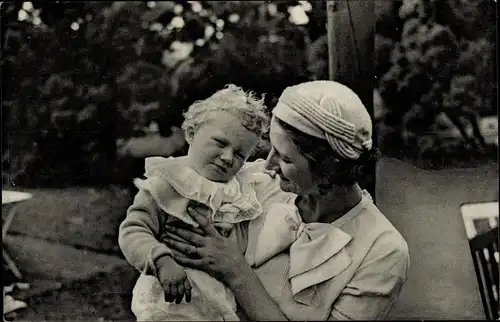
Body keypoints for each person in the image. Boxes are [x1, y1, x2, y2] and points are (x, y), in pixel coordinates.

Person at [162, 80, 411, 320]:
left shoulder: (382, 251)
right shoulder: (256, 183)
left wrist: (235, 271)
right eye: (271, 148)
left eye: (285, 159)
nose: (268, 164)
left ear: (329, 169)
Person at [118, 84, 271, 321]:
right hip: (170, 300)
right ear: (191, 133)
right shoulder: (167, 183)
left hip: (217, 303)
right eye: (220, 143)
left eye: (240, 154)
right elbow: (133, 230)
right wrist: (161, 260)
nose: (228, 157)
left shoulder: (238, 192)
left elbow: (239, 245)